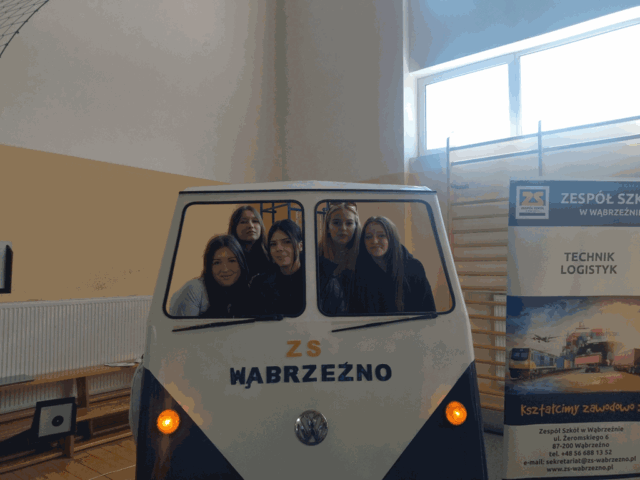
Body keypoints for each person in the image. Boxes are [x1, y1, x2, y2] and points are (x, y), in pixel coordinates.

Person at [351, 216, 436, 314]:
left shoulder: (414, 268)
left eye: (381, 235)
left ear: (392, 238)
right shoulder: (359, 271)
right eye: (368, 237)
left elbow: (429, 311)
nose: (374, 241)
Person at [169, 235, 250, 317]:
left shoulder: (246, 290)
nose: (225, 269)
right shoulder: (195, 289)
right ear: (209, 267)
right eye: (217, 263)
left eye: (232, 261)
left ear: (241, 262)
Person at [251, 219, 305, 316]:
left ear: (300, 246)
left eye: (287, 242)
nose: (279, 248)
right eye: (273, 244)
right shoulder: (260, 284)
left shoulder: (316, 280)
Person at [317, 202, 361, 314]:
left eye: (349, 223)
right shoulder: (314, 255)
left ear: (356, 227)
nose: (343, 228)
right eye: (336, 223)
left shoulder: (364, 257)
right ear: (327, 227)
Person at [228, 206, 272, 279]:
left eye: (255, 221)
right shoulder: (228, 255)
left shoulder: (270, 254)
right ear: (234, 227)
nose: (251, 226)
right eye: (244, 222)